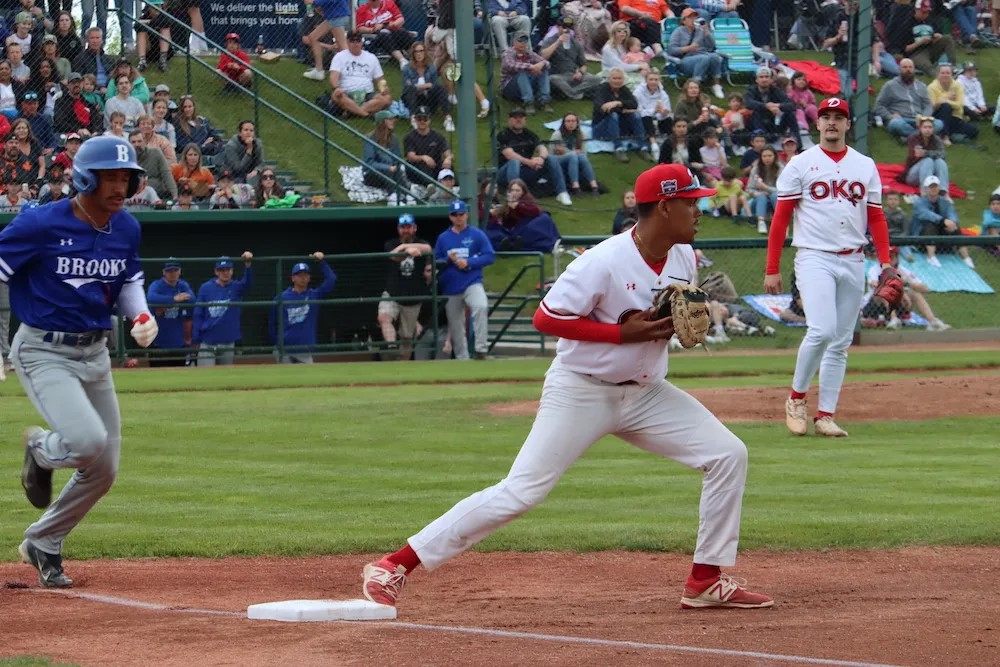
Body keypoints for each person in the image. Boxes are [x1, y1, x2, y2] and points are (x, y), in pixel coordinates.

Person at [362, 162, 774, 611]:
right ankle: (394, 564)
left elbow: (659, 315)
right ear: (663, 207)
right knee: (522, 490)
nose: (700, 210)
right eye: (692, 202)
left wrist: (667, 327)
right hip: (582, 389)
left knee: (728, 454)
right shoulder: (604, 261)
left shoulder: (683, 255)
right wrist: (621, 334)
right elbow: (546, 317)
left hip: (647, 392)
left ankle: (705, 580)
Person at [1, 135, 157, 588]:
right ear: (85, 177)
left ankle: (43, 541)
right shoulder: (39, 224)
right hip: (43, 350)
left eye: (126, 177)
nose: (119, 186)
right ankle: (40, 450)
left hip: (95, 353)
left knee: (104, 468)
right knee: (87, 442)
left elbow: (128, 277)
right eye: (110, 176)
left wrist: (141, 312)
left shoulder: (125, 226)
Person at [763, 98, 892, 438]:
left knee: (840, 342)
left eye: (839, 117)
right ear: (817, 124)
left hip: (853, 258)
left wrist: (886, 262)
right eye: (826, 117)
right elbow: (780, 221)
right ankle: (796, 398)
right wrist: (772, 267)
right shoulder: (800, 164)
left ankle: (825, 416)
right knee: (821, 330)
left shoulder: (865, 165)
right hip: (814, 256)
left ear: (848, 124)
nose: (832, 122)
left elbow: (876, 217)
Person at [434, 199, 495, 360]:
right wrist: (448, 259)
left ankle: (481, 350)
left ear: (466, 214)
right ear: (450, 217)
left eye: (461, 214)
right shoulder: (443, 238)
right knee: (456, 325)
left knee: (481, 306)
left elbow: (489, 256)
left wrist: (469, 262)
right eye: (455, 215)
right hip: (450, 285)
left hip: (471, 280)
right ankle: (463, 359)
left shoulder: (476, 234)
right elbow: (435, 261)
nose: (458, 217)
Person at [378, 213, 432, 359]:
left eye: (408, 227)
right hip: (393, 292)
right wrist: (405, 249)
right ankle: (391, 346)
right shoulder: (391, 243)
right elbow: (393, 256)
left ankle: (403, 364)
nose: (406, 230)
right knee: (384, 317)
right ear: (398, 229)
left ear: (414, 228)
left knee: (407, 337)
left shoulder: (421, 242)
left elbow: (428, 248)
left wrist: (409, 246)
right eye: (403, 227)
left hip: (413, 297)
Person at [862, 247, 950, 331]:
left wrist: (908, 283)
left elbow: (925, 289)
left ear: (897, 257)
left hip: (898, 305)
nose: (889, 259)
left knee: (914, 293)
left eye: (892, 256)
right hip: (875, 306)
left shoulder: (902, 270)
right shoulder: (875, 269)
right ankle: (894, 320)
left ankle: (933, 322)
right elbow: (875, 284)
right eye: (887, 256)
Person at [270, 252, 337, 364]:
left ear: (309, 277)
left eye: (305, 275)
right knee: (286, 380)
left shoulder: (314, 295)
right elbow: (272, 323)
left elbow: (331, 279)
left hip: (305, 350)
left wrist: (321, 262)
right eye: (299, 275)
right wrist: (277, 342)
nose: (303, 278)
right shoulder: (280, 298)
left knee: (308, 380)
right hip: (285, 349)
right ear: (293, 278)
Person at [496, 107, 572, 205]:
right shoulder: (503, 135)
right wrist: (529, 162)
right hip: (505, 173)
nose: (518, 120)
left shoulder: (529, 134)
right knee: (514, 161)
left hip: (526, 170)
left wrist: (541, 158)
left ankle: (562, 192)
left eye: (521, 117)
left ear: (525, 120)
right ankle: (513, 197)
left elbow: (542, 148)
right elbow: (509, 155)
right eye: (515, 117)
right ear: (510, 120)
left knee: (551, 158)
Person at [192, 252, 254, 367]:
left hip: (228, 340)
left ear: (232, 271)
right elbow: (198, 313)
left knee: (225, 375)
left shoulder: (236, 287)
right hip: (208, 340)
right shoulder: (206, 288)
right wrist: (195, 338)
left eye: (228, 269)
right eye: (222, 270)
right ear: (216, 272)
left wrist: (248, 265)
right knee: (205, 377)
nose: (225, 273)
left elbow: (248, 283)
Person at [911, 175, 973, 268]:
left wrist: (952, 223)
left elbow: (952, 213)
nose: (933, 189)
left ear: (939, 188)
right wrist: (943, 221)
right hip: (922, 239)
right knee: (929, 225)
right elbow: (926, 214)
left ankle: (966, 257)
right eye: (930, 187)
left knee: (955, 226)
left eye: (935, 186)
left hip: (942, 234)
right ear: (925, 189)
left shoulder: (944, 201)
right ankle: (931, 256)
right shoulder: (919, 203)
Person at [328, 30, 393, 118]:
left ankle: (353, 111)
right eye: (352, 41)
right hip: (347, 93)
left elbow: (380, 79)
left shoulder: (371, 57)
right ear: (347, 42)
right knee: (336, 96)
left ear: (362, 42)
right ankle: (366, 114)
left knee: (387, 98)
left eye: (358, 40)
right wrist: (336, 88)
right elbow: (333, 76)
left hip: (367, 94)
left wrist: (383, 88)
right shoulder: (339, 56)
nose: (355, 43)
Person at [873, 58, 943, 139]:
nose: (908, 70)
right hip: (901, 120)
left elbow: (928, 105)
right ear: (899, 69)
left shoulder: (921, 86)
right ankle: (922, 137)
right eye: (905, 67)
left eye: (910, 67)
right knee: (895, 124)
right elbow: (878, 106)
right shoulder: (890, 86)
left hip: (919, 120)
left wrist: (924, 118)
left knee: (939, 123)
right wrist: (890, 116)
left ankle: (911, 137)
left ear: (914, 69)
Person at [486, 178, 560, 252]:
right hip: (519, 228)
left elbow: (535, 211)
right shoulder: (507, 203)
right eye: (512, 190)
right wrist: (508, 210)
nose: (514, 193)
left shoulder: (527, 198)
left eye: (517, 190)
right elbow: (508, 223)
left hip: (532, 223)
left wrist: (518, 206)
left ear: (523, 191)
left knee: (542, 220)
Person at [538, 15, 602, 101]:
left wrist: (580, 73)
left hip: (573, 75)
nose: (566, 30)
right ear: (558, 27)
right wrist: (558, 42)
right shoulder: (550, 40)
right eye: (564, 27)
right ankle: (581, 93)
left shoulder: (576, 43)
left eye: (569, 27)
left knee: (597, 79)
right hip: (558, 75)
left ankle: (572, 93)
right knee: (552, 79)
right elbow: (543, 57)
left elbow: (583, 65)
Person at [145, 258, 195, 367]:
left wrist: (165, 305)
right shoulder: (157, 285)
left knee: (179, 377)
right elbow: (151, 298)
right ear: (164, 272)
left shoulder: (182, 285)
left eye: (175, 270)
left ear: (179, 271)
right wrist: (174, 300)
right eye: (169, 271)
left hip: (178, 341)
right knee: (157, 377)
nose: (172, 274)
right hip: (158, 341)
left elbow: (191, 299)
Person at [668, 8, 725, 100]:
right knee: (703, 58)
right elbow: (671, 50)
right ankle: (696, 86)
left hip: (703, 54)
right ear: (684, 20)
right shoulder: (678, 31)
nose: (693, 19)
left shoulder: (700, 30)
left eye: (695, 17)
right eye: (690, 17)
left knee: (715, 56)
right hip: (685, 59)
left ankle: (716, 85)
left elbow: (712, 46)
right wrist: (688, 48)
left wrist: (707, 32)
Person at [592, 68, 644, 163]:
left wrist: (618, 103)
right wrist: (623, 109)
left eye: (619, 78)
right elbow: (602, 108)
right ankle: (618, 148)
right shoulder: (601, 89)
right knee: (613, 115)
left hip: (618, 128)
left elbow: (634, 104)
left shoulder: (624, 89)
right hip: (600, 129)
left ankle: (642, 147)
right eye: (614, 78)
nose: (617, 81)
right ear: (609, 79)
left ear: (623, 80)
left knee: (635, 114)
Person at [500, 32, 553, 115]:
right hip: (509, 89)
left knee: (543, 70)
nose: (522, 43)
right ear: (514, 42)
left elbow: (547, 63)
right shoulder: (508, 53)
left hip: (527, 85)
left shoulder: (530, 53)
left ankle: (544, 100)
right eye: (520, 41)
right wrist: (531, 67)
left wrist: (541, 64)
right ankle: (528, 103)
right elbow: (510, 65)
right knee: (522, 72)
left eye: (525, 41)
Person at [400, 42, 450, 129]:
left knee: (440, 88)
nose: (419, 54)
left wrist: (419, 86)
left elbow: (434, 85)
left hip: (428, 99)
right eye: (416, 52)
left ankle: (448, 119)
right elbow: (407, 87)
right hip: (413, 99)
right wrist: (425, 85)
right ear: (413, 54)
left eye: (421, 51)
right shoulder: (406, 68)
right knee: (410, 89)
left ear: (425, 53)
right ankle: (413, 119)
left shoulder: (431, 67)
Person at [549, 111, 598, 195]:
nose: (571, 123)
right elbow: (552, 152)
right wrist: (572, 152)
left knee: (581, 157)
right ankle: (575, 185)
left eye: (573, 121)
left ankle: (594, 185)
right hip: (557, 160)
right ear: (564, 123)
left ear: (577, 123)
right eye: (568, 121)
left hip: (575, 158)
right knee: (573, 155)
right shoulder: (557, 134)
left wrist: (566, 151)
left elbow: (583, 152)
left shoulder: (581, 134)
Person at [743, 66, 798, 141]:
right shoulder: (751, 90)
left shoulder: (776, 90)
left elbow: (792, 105)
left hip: (774, 121)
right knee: (756, 113)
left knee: (790, 114)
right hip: (757, 123)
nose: (764, 79)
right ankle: (762, 140)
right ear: (756, 80)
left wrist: (778, 106)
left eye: (766, 77)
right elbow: (748, 103)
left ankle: (797, 143)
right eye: (761, 77)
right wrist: (766, 106)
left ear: (771, 79)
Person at [403, 105, 452, 187]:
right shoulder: (409, 137)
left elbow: (447, 152)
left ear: (429, 120)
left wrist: (448, 159)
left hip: (435, 166)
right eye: (419, 119)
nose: (422, 121)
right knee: (423, 170)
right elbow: (410, 156)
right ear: (415, 120)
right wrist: (423, 157)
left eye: (425, 119)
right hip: (418, 167)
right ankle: (431, 187)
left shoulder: (438, 136)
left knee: (449, 168)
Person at [927, 64, 978, 143]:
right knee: (946, 107)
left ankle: (950, 135)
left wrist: (943, 99)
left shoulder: (958, 86)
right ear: (938, 74)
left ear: (952, 74)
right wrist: (946, 98)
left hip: (956, 117)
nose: (945, 75)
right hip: (939, 117)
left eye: (948, 73)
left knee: (974, 131)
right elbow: (932, 107)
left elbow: (959, 105)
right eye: (942, 73)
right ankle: (945, 136)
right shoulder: (931, 87)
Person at [355, 0, 414, 68]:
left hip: (393, 31)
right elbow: (360, 28)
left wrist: (391, 24)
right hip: (376, 37)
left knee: (402, 32)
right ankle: (402, 61)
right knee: (384, 34)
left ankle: (415, 58)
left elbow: (400, 19)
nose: (375, 2)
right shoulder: (362, 9)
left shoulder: (389, 3)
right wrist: (373, 29)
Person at [302, 0, 350, 81]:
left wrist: (313, 2)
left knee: (343, 47)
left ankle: (352, 73)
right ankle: (319, 71)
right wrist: (317, 6)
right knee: (313, 37)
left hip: (337, 16)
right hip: (333, 16)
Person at [363, 110, 409, 192]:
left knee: (397, 172)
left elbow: (397, 158)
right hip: (373, 175)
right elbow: (369, 162)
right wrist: (388, 167)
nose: (393, 121)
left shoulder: (393, 138)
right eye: (390, 119)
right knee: (387, 171)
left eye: (393, 119)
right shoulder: (370, 138)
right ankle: (393, 196)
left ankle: (407, 195)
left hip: (391, 172)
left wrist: (396, 166)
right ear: (382, 122)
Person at [901, 115, 949, 194]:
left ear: (933, 129)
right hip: (913, 175)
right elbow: (917, 155)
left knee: (940, 161)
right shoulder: (913, 138)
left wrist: (926, 153)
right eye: (925, 127)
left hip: (931, 173)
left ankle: (943, 191)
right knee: (928, 160)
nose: (928, 130)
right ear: (920, 128)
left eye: (930, 127)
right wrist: (932, 154)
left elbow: (943, 154)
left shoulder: (936, 139)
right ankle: (925, 192)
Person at [633, 70, 672, 161]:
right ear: (646, 80)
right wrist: (654, 110)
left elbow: (667, 110)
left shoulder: (663, 94)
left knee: (668, 120)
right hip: (643, 118)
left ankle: (671, 143)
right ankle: (654, 145)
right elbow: (638, 111)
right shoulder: (638, 92)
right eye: (651, 79)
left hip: (658, 117)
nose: (653, 82)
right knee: (647, 118)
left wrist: (663, 112)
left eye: (656, 80)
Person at [129, 129, 177, 199]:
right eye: (133, 142)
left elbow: (166, 174)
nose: (137, 144)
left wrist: (175, 195)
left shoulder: (156, 153)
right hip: (133, 194)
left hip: (157, 193)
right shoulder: (127, 158)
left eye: (139, 141)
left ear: (145, 142)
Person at [53, 72, 103, 137]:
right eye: (73, 82)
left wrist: (95, 131)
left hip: (89, 134)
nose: (76, 84)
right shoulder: (61, 102)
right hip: (70, 135)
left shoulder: (87, 103)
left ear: (82, 84)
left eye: (79, 82)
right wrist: (78, 130)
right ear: (68, 85)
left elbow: (96, 119)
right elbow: (60, 122)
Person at [748, 146, 781, 234]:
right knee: (761, 196)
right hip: (759, 201)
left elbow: (782, 190)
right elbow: (749, 189)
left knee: (775, 195)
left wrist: (766, 188)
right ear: (761, 157)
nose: (767, 158)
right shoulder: (756, 169)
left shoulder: (780, 169)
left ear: (774, 157)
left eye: (770, 156)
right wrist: (759, 193)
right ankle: (761, 222)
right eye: (764, 156)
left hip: (775, 198)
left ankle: (779, 222)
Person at [219, 120, 264, 184]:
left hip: (251, 175)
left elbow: (261, 163)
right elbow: (238, 169)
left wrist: (256, 171)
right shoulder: (231, 145)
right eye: (246, 130)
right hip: (233, 176)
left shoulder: (257, 144)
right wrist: (249, 151)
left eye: (251, 130)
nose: (248, 133)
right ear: (240, 133)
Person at [71, 28, 114, 93]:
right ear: (87, 40)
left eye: (97, 38)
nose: (95, 41)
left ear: (102, 40)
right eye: (92, 38)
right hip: (91, 91)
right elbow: (80, 79)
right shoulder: (79, 59)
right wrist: (99, 88)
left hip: (110, 89)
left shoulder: (109, 59)